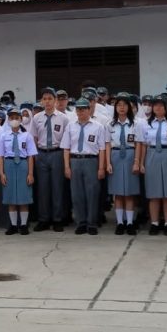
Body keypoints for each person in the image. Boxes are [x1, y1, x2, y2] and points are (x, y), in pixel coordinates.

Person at [61, 98, 107, 235]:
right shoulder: (70, 126)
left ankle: (92, 222)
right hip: (75, 160)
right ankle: (81, 222)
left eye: (83, 109)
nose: (80, 112)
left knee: (92, 193)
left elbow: (102, 149)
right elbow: (66, 148)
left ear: (89, 109)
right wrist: (67, 167)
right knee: (77, 194)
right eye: (78, 109)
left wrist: (101, 167)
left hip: (91, 160)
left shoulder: (98, 126)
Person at [140, 94, 167, 236]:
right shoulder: (146, 123)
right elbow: (143, 145)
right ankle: (154, 223)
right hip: (152, 155)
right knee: (154, 193)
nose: (158, 108)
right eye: (155, 105)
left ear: (166, 107)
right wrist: (141, 163)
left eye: (161, 105)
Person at [31, 87, 70, 232]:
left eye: (50, 99)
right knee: (43, 188)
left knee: (57, 187)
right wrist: (35, 157)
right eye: (45, 99)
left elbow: (66, 141)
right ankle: (44, 219)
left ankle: (58, 219)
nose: (47, 102)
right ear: (41, 101)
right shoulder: (37, 118)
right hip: (41, 153)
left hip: (57, 153)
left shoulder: (63, 118)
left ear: (55, 101)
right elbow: (34, 138)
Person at [0, 107, 38, 234]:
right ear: (8, 120)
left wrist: (30, 173)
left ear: (21, 120)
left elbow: (31, 156)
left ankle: (24, 225)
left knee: (23, 196)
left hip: (22, 164)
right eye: (11, 118)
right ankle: (14, 225)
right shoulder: (3, 136)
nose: (14, 120)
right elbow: (0, 155)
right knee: (10, 196)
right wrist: (1, 173)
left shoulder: (27, 136)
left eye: (16, 118)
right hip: (9, 164)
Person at [106, 94, 141, 235]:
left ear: (129, 107)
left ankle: (130, 222)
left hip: (130, 155)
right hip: (115, 157)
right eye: (119, 105)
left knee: (130, 193)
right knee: (118, 193)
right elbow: (107, 145)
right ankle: (120, 222)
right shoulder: (110, 124)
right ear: (115, 107)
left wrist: (137, 162)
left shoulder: (135, 124)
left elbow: (138, 144)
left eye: (124, 105)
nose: (121, 108)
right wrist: (107, 163)